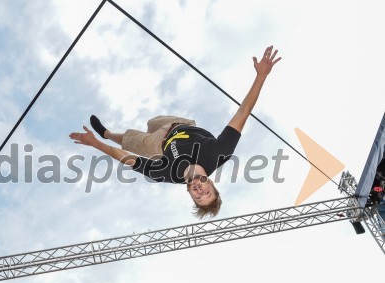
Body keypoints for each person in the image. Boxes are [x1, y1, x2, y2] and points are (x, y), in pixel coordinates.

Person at [70, 45, 281, 219]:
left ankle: (106, 133)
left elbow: (126, 158)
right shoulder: (219, 152)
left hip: (158, 144)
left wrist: (96, 144)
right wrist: (261, 76)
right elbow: (242, 113)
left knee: (131, 140)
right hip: (181, 124)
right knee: (151, 122)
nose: (200, 190)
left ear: (189, 193)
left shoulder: (165, 172)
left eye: (198, 196)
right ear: (212, 184)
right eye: (206, 192)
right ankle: (120, 134)